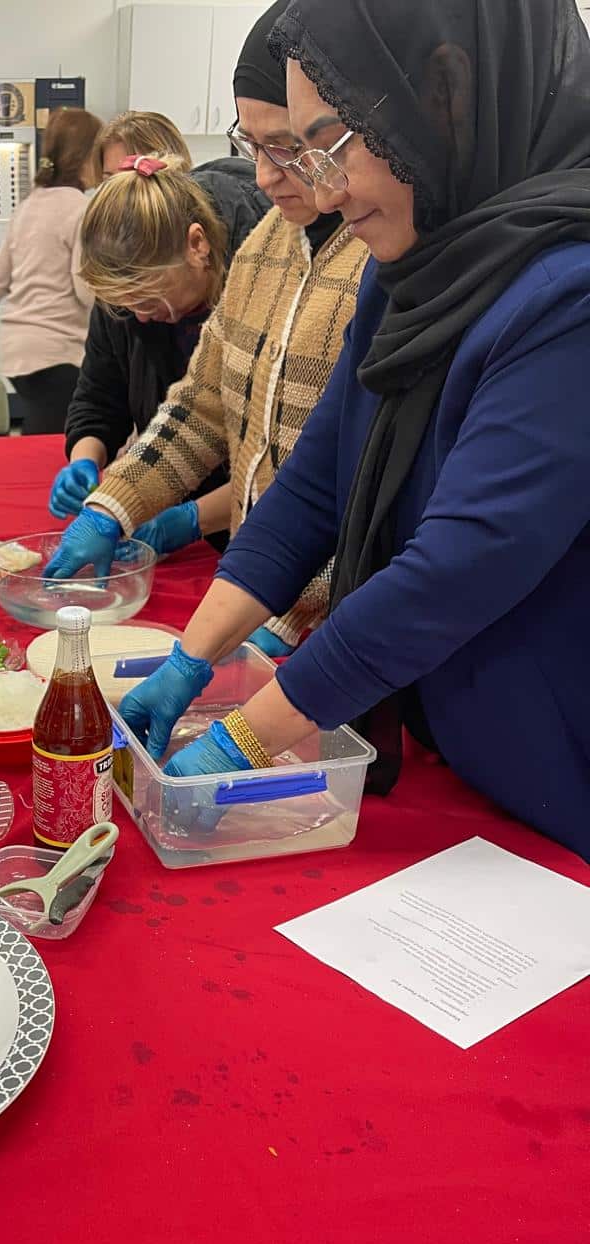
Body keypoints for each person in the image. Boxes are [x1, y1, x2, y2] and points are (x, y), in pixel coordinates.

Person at [115, 0, 590, 863]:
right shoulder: (409, 264)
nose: (325, 190)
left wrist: (244, 739)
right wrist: (191, 657)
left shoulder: (569, 294)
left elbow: (458, 569)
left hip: (555, 766)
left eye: (332, 145)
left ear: (444, 96)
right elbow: (319, 480)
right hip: (457, 741)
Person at [46, 0, 369, 658]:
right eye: (251, 145)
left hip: (328, 619)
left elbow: (350, 481)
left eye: (289, 148)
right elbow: (203, 405)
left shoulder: (381, 258)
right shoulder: (268, 245)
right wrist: (113, 506)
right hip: (260, 590)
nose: (265, 174)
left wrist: (287, 615)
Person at [52, 112, 270, 526]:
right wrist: (86, 457)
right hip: (174, 493)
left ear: (197, 246)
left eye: (150, 299)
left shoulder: (264, 274)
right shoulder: (128, 279)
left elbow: (277, 457)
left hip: (257, 519)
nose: (140, 315)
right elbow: (100, 395)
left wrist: (192, 520)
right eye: (127, 304)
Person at [0, 106, 103, 435]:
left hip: (17, 351)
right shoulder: (81, 210)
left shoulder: (28, 206)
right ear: (85, 158)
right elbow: (85, 291)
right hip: (58, 352)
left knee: (42, 432)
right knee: (60, 440)